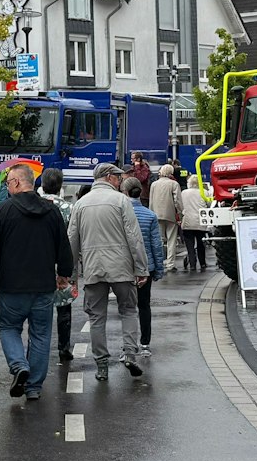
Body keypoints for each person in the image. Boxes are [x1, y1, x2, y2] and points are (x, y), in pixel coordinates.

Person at [0, 164, 73, 401]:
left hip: (12, 285)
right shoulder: (51, 211)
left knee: (9, 327)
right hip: (43, 284)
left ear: (14, 183)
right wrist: (64, 273)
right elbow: (63, 245)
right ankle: (33, 387)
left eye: (7, 183)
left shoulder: (3, 211)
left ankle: (19, 365)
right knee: (41, 334)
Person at [70, 162, 151, 381]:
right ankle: (130, 354)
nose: (120, 181)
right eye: (117, 177)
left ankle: (102, 364)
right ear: (108, 177)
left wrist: (71, 275)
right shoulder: (121, 201)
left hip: (93, 268)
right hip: (122, 267)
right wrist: (141, 268)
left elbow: (72, 240)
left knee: (97, 317)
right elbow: (134, 237)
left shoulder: (80, 204)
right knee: (128, 310)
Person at [121, 176, 166, 355]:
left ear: (124, 192)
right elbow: (156, 244)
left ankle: (128, 345)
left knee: (126, 307)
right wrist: (159, 269)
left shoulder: (120, 213)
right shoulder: (150, 215)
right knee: (144, 305)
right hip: (146, 267)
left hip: (125, 267)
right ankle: (145, 343)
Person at [40, 169, 80, 368]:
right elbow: (73, 236)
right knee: (64, 307)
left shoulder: (35, 204)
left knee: (41, 307)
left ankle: (39, 346)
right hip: (63, 261)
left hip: (40, 262)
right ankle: (64, 347)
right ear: (60, 185)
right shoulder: (68, 208)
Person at [149, 164, 182, 260]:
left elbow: (151, 201)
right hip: (171, 215)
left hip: (156, 215)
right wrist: (180, 214)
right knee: (171, 240)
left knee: (158, 240)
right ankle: (170, 263)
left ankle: (159, 261)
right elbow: (178, 202)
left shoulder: (154, 185)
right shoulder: (174, 184)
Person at [179, 174, 208, 273]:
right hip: (200, 222)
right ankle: (203, 263)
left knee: (190, 245)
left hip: (187, 222)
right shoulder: (204, 192)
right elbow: (208, 205)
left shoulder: (183, 193)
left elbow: (180, 205)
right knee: (201, 244)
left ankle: (192, 264)